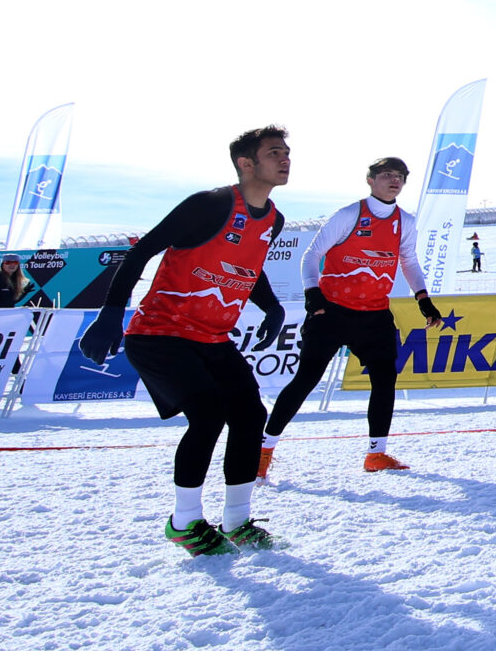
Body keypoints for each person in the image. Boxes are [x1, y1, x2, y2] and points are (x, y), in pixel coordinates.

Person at [75, 126, 292, 556]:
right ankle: (185, 522)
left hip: (212, 336)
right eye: (274, 153)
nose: (285, 160)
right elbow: (141, 251)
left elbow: (249, 267)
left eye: (287, 152)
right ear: (246, 163)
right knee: (209, 413)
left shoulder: (274, 218)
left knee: (250, 415)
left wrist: (272, 307)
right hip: (161, 332)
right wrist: (111, 312)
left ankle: (237, 521)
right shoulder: (209, 204)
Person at [261, 157, 449, 479]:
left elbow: (409, 262)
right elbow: (312, 255)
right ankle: (262, 452)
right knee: (306, 380)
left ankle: (376, 454)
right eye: (387, 175)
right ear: (371, 180)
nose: (395, 181)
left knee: (385, 380)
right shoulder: (350, 214)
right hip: (332, 311)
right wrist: (312, 293)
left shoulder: (404, 221)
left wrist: (424, 299)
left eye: (400, 176)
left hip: (374, 314)